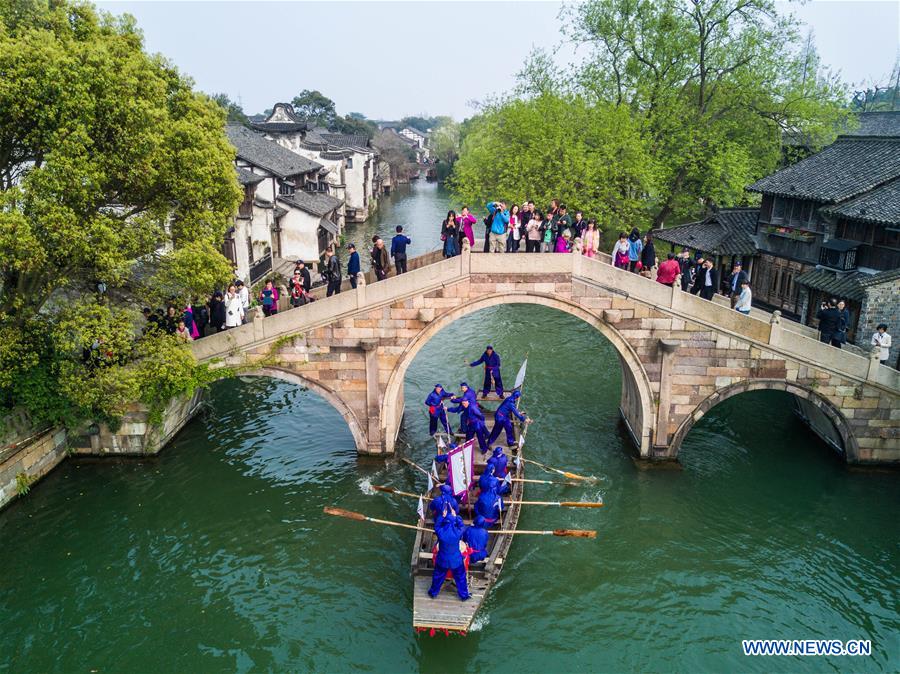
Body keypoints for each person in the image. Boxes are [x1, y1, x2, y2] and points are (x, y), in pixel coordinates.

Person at [428, 510, 469, 601]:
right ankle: (464, 596)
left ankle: (433, 593)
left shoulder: (440, 532)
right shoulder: (458, 532)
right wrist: (456, 516)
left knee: (438, 577)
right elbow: (462, 525)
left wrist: (442, 516)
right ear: (454, 521)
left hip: (442, 560)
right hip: (456, 561)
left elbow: (437, 525)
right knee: (461, 578)